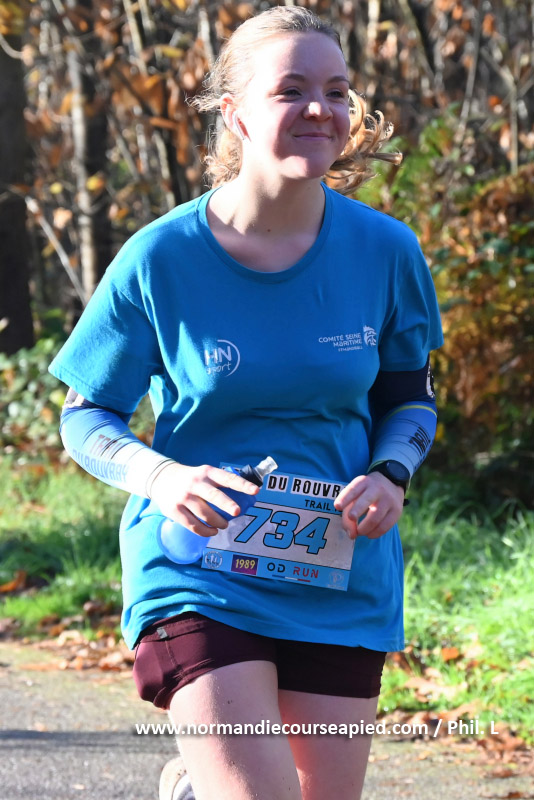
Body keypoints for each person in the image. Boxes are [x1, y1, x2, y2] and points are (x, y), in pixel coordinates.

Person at [49, 6, 443, 800]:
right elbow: (86, 416)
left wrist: (390, 475)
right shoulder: (160, 257)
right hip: (196, 568)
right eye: (290, 89)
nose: (319, 108)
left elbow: (410, 399)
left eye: (336, 91)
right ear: (235, 113)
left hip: (338, 569)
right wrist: (161, 477)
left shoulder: (387, 251)